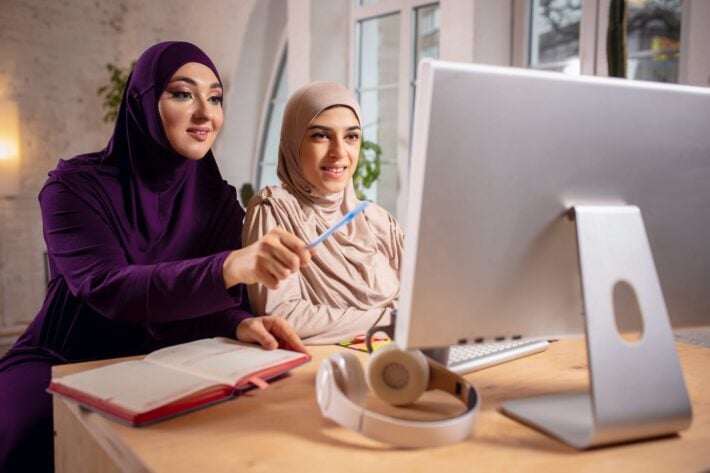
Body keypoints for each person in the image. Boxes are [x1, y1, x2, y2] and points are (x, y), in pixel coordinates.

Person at [0, 41, 312, 472]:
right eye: (183, 94)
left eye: (215, 98)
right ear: (144, 103)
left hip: (166, 365)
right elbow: (110, 289)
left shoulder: (217, 201)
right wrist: (230, 266)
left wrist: (239, 322)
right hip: (64, 362)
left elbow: (212, 304)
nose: (205, 113)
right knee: (34, 437)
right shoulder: (72, 188)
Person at [243, 82, 403, 345]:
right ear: (293, 142)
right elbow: (284, 316)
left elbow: (424, 304)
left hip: (395, 364)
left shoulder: (379, 221)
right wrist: (392, 320)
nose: (339, 152)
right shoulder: (273, 210)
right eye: (321, 136)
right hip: (318, 370)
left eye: (351, 136)